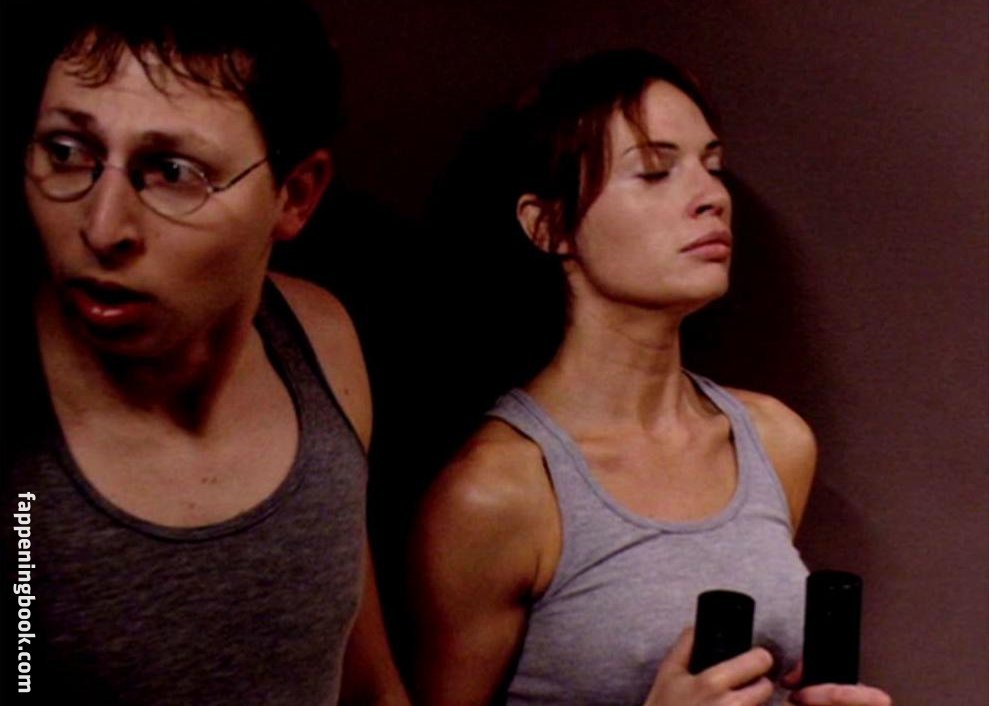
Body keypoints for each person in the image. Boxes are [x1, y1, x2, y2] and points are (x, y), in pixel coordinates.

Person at [408, 49, 892, 706]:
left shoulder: (774, 440)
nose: (712, 197)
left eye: (712, 167)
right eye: (656, 171)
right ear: (547, 225)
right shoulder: (498, 491)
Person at [1, 1, 408, 704]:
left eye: (172, 171)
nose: (102, 227)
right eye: (67, 153)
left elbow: (364, 676)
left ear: (295, 196)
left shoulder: (320, 339)